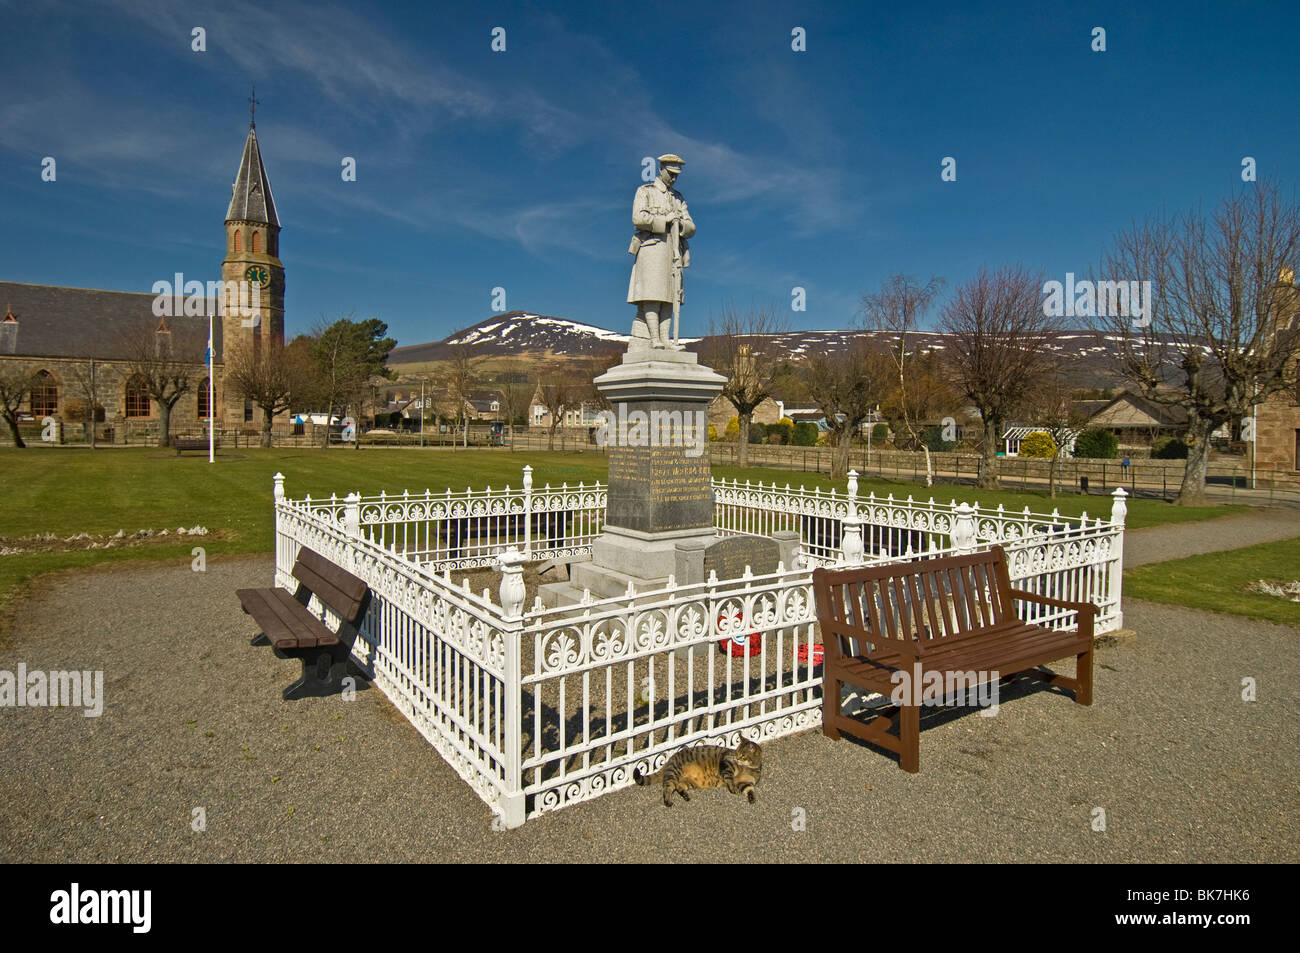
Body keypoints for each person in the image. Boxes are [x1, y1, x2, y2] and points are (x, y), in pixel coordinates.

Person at [627, 154, 693, 350]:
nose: (673, 178)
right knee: (653, 294)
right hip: (651, 247)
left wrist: (680, 223)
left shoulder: (678, 198)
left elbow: (691, 227)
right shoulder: (645, 192)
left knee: (670, 297)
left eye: (676, 175)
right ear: (661, 169)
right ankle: (653, 339)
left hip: (673, 250)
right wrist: (664, 220)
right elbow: (638, 218)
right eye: (670, 173)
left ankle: (666, 340)